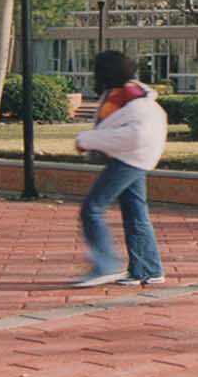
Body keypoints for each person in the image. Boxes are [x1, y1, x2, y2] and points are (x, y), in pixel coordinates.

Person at [71, 51, 168, 288]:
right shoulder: (127, 93)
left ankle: (106, 266)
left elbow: (135, 135)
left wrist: (88, 140)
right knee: (135, 212)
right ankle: (148, 269)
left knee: (92, 209)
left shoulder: (130, 97)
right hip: (134, 157)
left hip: (130, 159)